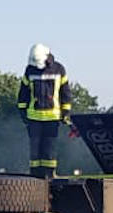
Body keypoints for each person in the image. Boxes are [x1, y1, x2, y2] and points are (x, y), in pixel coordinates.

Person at [17, 43, 72, 179]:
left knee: (49, 148)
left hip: (53, 117)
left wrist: (65, 112)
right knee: (35, 150)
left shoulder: (59, 69)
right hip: (34, 117)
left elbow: (66, 93)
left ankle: (49, 174)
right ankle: (35, 176)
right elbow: (23, 93)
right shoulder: (30, 70)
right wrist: (22, 111)